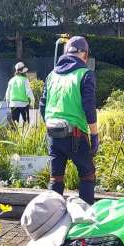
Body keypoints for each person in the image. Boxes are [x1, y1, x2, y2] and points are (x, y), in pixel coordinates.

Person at [39, 36, 98, 205]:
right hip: (76, 134)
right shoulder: (85, 74)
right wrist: (94, 136)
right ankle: (85, 220)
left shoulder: (52, 75)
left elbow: (42, 105)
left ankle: (51, 219)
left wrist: (51, 125)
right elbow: (89, 107)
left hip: (53, 133)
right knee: (87, 174)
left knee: (56, 178)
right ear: (85, 54)